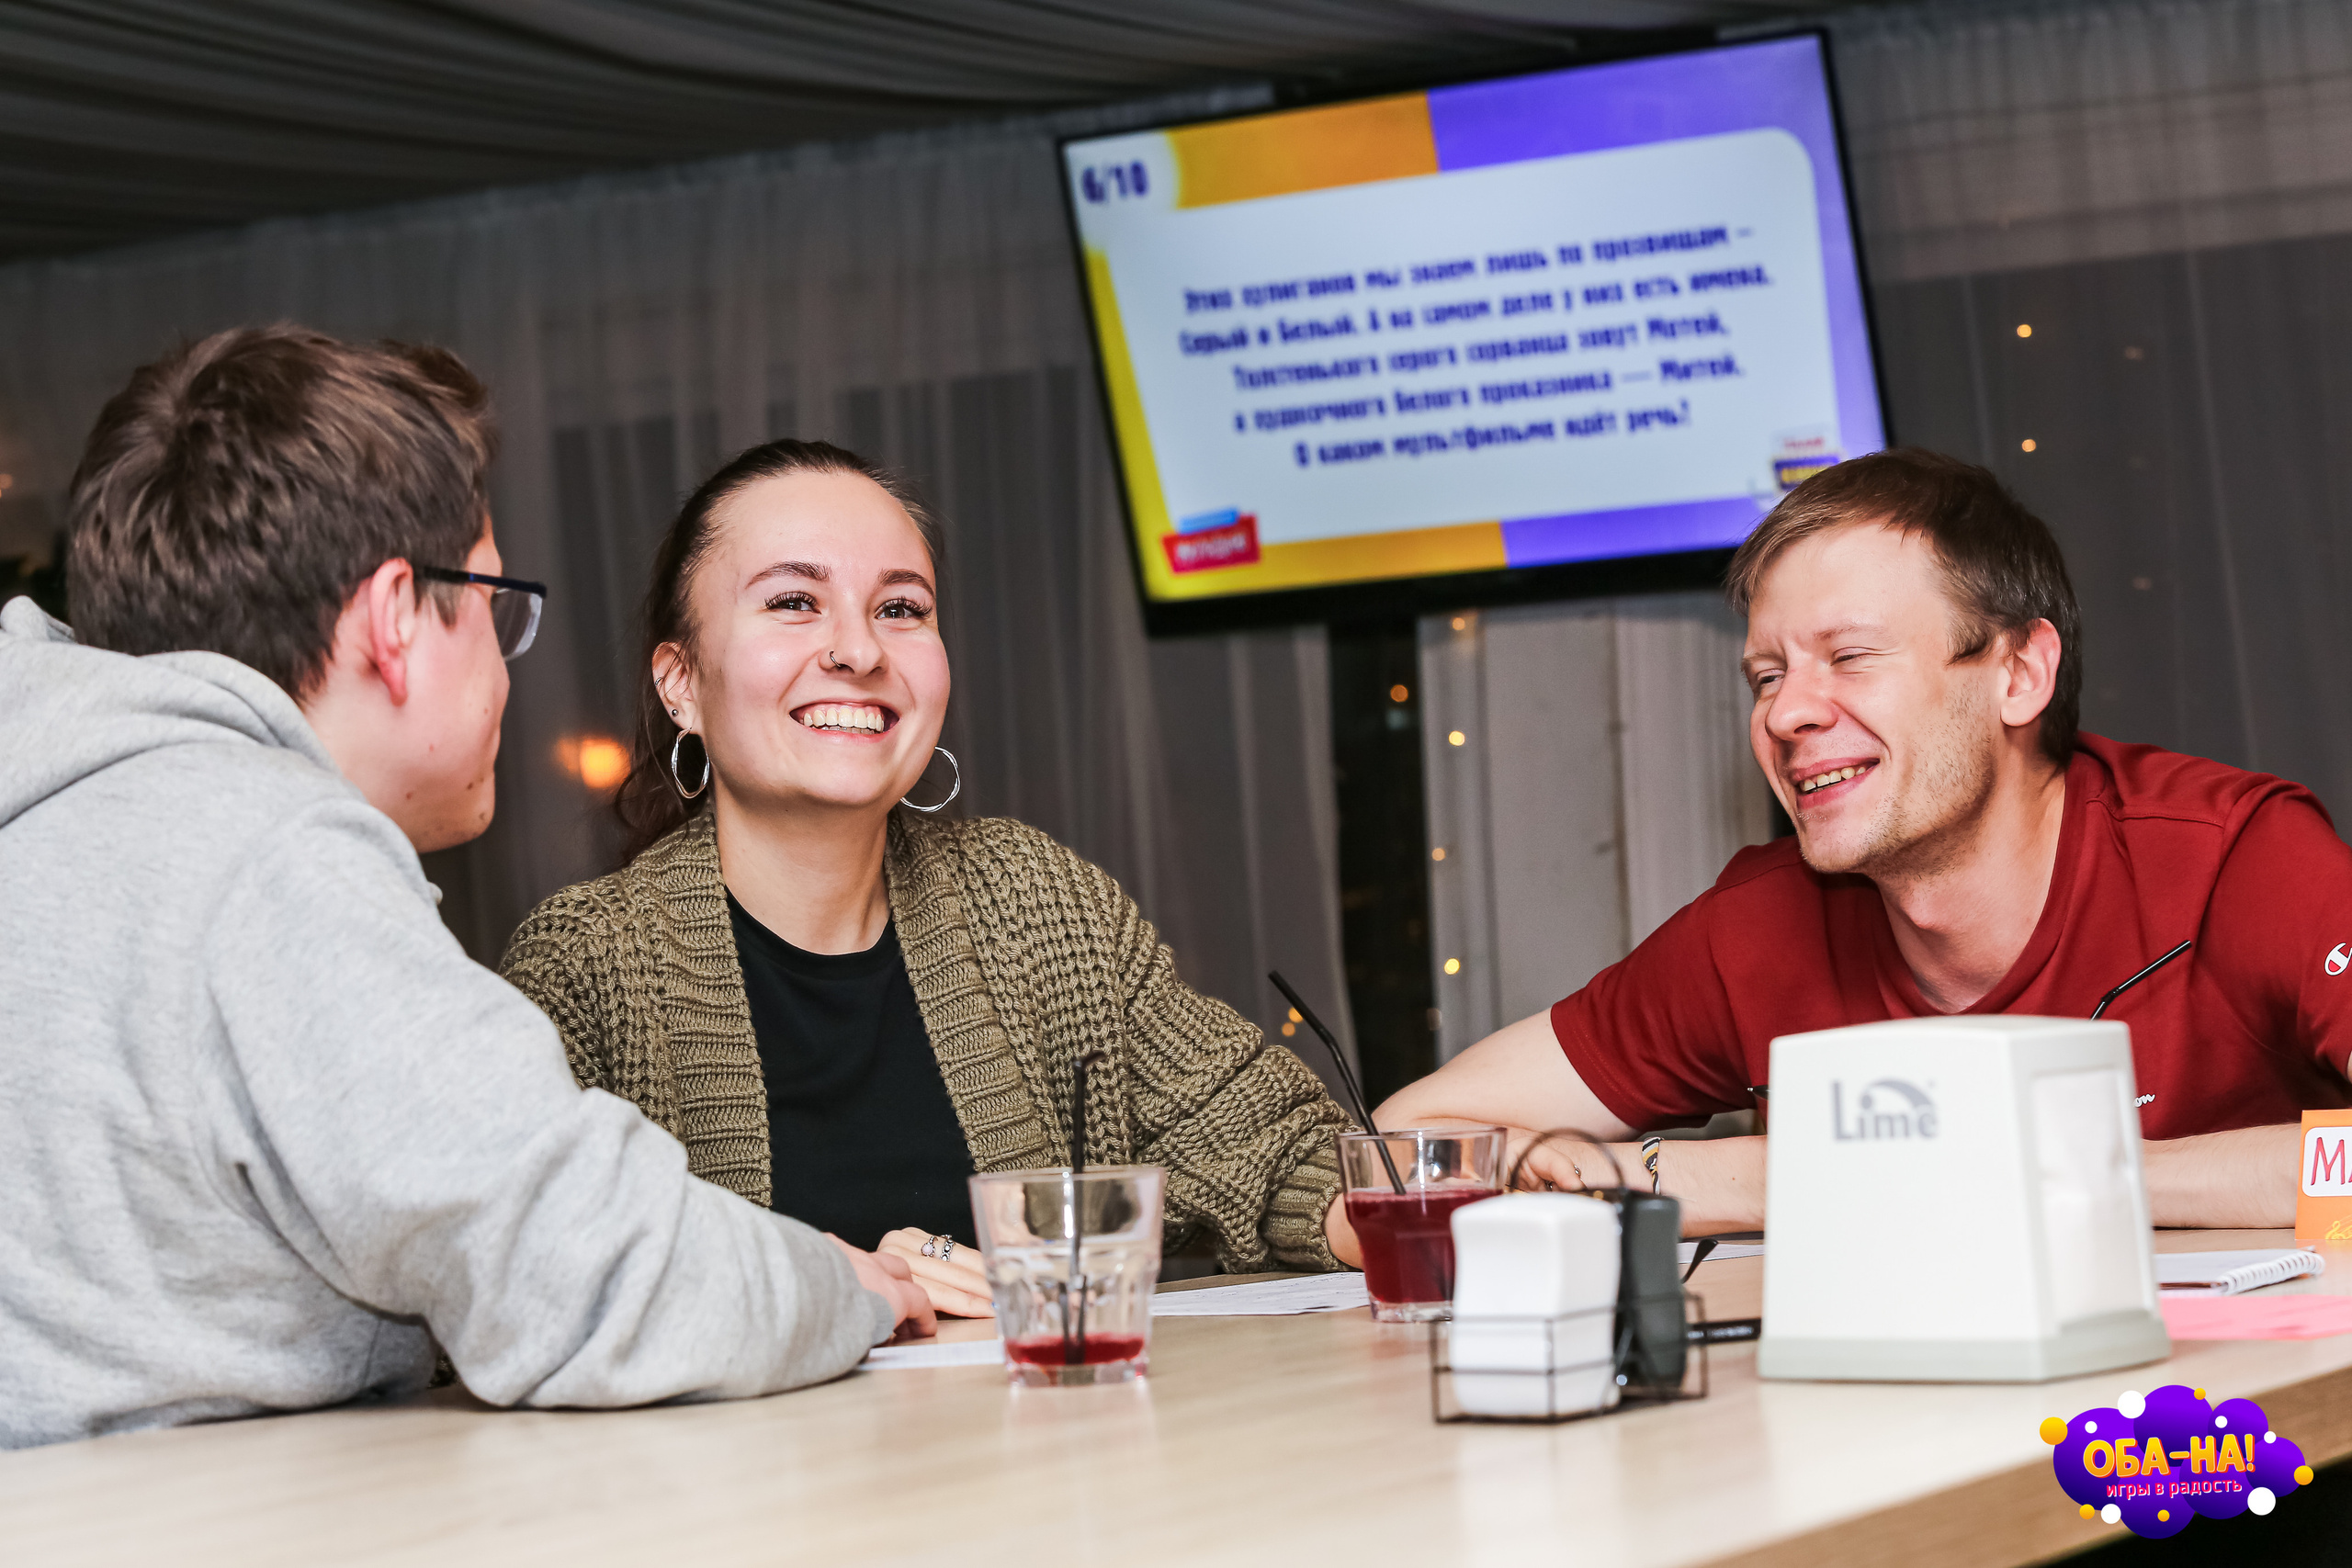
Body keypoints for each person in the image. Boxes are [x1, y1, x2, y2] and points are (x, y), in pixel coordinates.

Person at [0, 327, 931, 1450]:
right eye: (495, 607)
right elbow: (596, 1280)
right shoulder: (272, 859)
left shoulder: (68, 814)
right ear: (399, 621)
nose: (503, 667)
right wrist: (860, 1290)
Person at [1364, 447, 2352, 1242]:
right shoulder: (1761, 927)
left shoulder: (2234, 861)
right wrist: (1580, 1184)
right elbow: (1386, 1162)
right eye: (1763, 677)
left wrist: (2021, 1177)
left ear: (2018, 675)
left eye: (1848, 658)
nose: (1787, 713)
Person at [498, 438, 1351, 1315]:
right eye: (794, 601)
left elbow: (1282, 1157)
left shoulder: (1041, 903)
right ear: (682, 683)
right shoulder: (589, 966)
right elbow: (522, 1290)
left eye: (901, 608)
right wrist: (837, 1289)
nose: (859, 650)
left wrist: (1445, 1201)